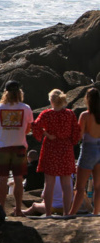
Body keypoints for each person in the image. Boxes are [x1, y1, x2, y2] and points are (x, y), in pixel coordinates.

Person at [31, 89, 81, 217]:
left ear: (51, 101)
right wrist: (70, 140)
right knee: (66, 183)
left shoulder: (47, 114)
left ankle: (48, 213)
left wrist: (46, 133)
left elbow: (35, 126)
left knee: (49, 183)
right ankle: (66, 213)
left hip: (51, 147)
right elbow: (76, 132)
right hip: (65, 148)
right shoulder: (69, 114)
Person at [0, 80, 33, 217]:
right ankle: (19, 209)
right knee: (18, 179)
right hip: (19, 146)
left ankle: (2, 209)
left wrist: (2, 136)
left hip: (2, 147)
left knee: (2, 179)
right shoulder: (26, 108)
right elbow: (28, 128)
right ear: (20, 92)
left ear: (6, 93)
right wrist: (19, 133)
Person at [70, 87, 100, 215]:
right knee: (98, 186)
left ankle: (71, 213)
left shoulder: (85, 115)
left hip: (88, 150)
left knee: (80, 187)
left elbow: (79, 135)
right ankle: (96, 212)